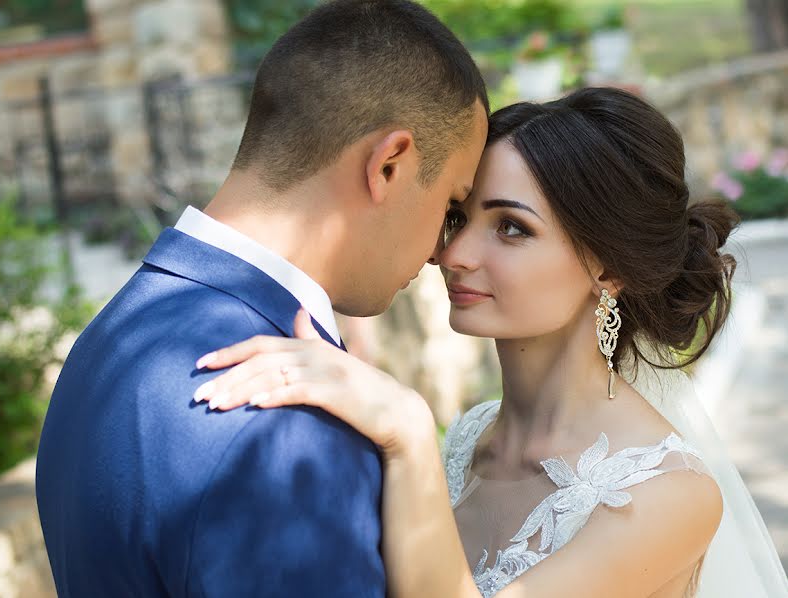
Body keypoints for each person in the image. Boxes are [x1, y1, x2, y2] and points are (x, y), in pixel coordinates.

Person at [198, 87, 788, 597]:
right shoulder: (470, 435)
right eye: (460, 217)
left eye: (511, 227)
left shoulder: (667, 494)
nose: (454, 254)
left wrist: (406, 429)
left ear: (609, 269)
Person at [34, 1, 488, 596]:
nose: (439, 252)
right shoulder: (284, 428)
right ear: (389, 164)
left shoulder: (111, 337)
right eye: (452, 207)